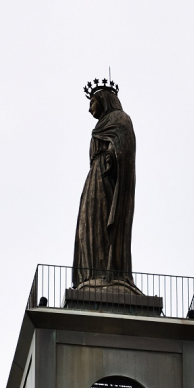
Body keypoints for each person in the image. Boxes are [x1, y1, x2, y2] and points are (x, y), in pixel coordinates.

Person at [73, 83, 136, 288]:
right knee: (88, 222)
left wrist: (111, 154)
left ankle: (108, 272)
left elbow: (124, 147)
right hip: (94, 178)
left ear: (103, 100)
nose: (90, 108)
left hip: (108, 179)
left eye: (92, 102)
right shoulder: (101, 125)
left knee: (102, 220)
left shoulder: (120, 119)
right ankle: (91, 272)